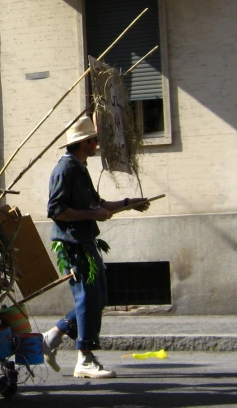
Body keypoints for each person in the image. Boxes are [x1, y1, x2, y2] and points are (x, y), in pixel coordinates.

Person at [42, 116, 149, 378]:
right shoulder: (65, 170)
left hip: (85, 241)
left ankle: (53, 337)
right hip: (72, 244)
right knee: (88, 297)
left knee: (98, 297)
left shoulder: (80, 167)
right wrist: (93, 215)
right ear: (83, 143)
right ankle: (85, 357)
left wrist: (129, 202)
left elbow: (96, 204)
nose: (97, 144)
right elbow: (56, 210)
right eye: (93, 140)